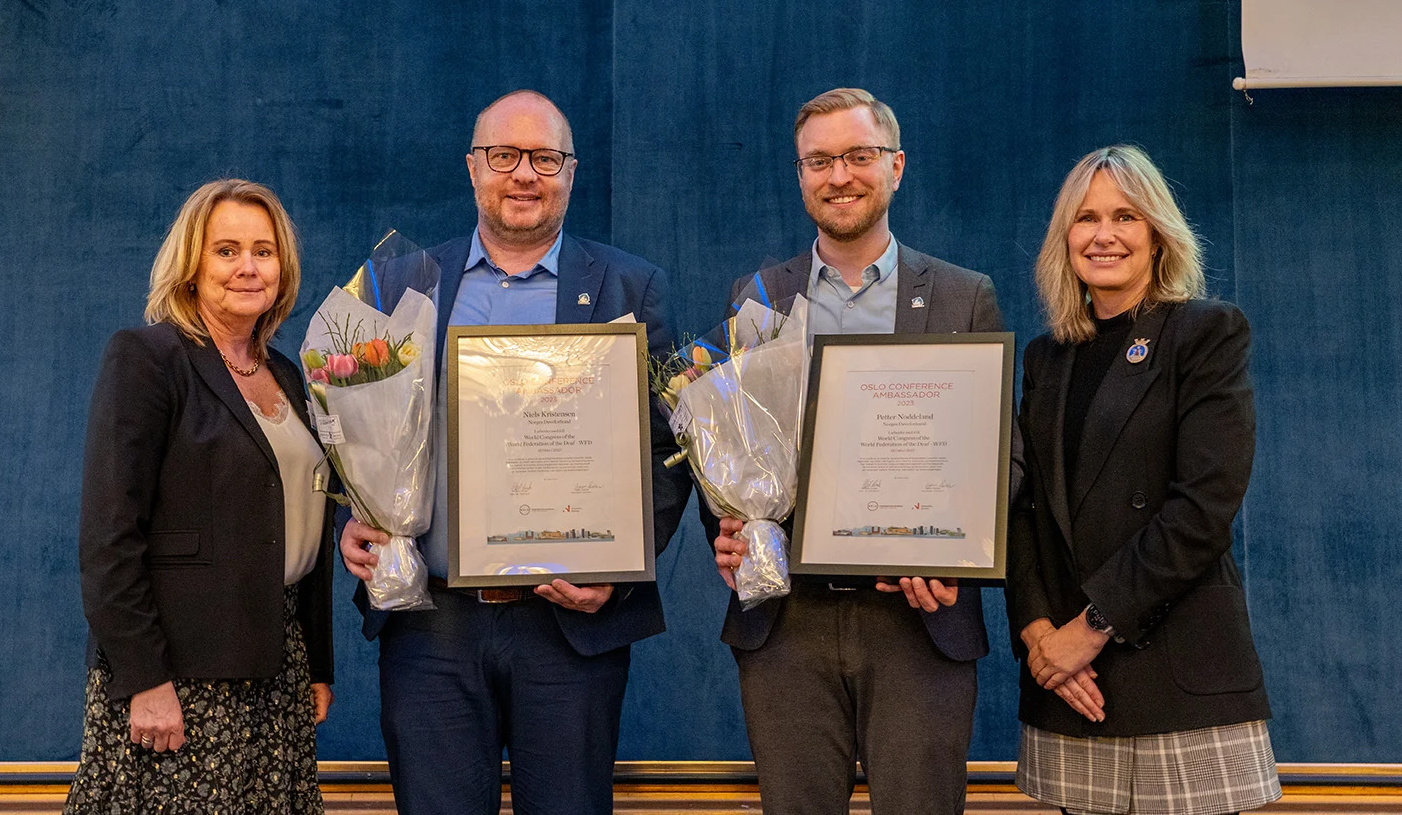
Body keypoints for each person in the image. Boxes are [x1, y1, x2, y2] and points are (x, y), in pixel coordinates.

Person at [338, 89, 691, 815]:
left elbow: (667, 452)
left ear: (571, 171)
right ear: (473, 168)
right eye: (504, 155)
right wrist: (356, 513)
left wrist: (618, 572)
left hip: (569, 626)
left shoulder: (630, 287)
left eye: (545, 158)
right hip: (430, 622)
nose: (524, 173)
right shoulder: (400, 284)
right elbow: (354, 425)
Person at [708, 87, 1009, 815]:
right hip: (787, 625)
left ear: (896, 167)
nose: (838, 175)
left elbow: (1001, 456)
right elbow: (728, 445)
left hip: (917, 621)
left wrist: (954, 554)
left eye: (857, 156)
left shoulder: (963, 298)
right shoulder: (754, 298)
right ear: (800, 175)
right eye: (819, 161)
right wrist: (730, 529)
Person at [1005, 145, 1281, 815]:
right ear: (1064, 237)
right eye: (1086, 217)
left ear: (1158, 233)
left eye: (1125, 216)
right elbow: (1023, 508)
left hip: (1177, 679)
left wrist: (1089, 627)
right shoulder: (1045, 358)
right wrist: (1039, 633)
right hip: (1075, 686)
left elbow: (1204, 508)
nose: (1104, 235)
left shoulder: (1206, 333)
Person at [66, 179, 336, 813]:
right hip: (180, 678)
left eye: (264, 251)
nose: (248, 267)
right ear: (190, 267)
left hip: (277, 666)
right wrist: (145, 680)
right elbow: (109, 539)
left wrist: (317, 663)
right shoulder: (149, 358)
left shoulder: (289, 375)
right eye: (227, 250)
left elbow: (306, 526)